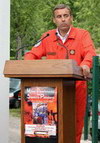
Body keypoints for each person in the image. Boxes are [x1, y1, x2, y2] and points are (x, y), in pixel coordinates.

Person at [24, 4, 96, 143]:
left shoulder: (82, 35)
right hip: (51, 92)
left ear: (71, 18)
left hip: (76, 88)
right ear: (54, 20)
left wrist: (86, 64)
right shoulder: (47, 36)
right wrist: (28, 65)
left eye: (66, 16)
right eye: (59, 16)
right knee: (51, 125)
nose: (63, 19)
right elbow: (32, 54)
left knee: (74, 124)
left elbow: (90, 52)